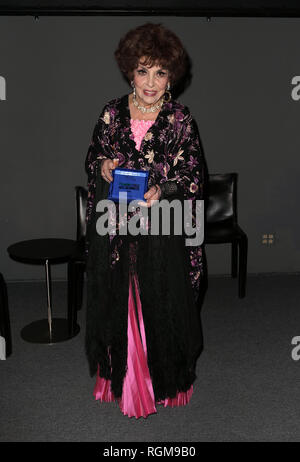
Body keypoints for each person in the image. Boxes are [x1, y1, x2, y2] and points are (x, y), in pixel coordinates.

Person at [84, 22, 207, 419]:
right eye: (142, 70)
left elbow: (191, 175)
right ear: (129, 71)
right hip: (117, 229)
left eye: (160, 72)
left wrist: (163, 190)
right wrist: (102, 165)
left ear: (172, 76)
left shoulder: (180, 119)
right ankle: (122, 383)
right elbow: (92, 158)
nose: (150, 82)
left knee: (160, 303)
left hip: (161, 232)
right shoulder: (111, 113)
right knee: (120, 303)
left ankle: (161, 387)